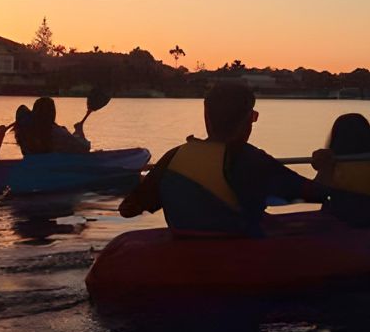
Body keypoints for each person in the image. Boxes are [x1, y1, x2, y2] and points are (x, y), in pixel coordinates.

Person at [119, 83, 330, 237]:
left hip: (182, 255)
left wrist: (156, 182)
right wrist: (326, 168)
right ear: (248, 119)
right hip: (238, 259)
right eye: (253, 117)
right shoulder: (252, 161)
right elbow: (320, 194)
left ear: (207, 117)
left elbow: (128, 210)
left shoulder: (173, 156)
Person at [14, 97, 91, 155]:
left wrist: (77, 132)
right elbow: (84, 147)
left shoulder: (26, 133)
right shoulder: (57, 132)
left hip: (32, 168)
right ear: (52, 113)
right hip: (53, 170)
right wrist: (80, 131)